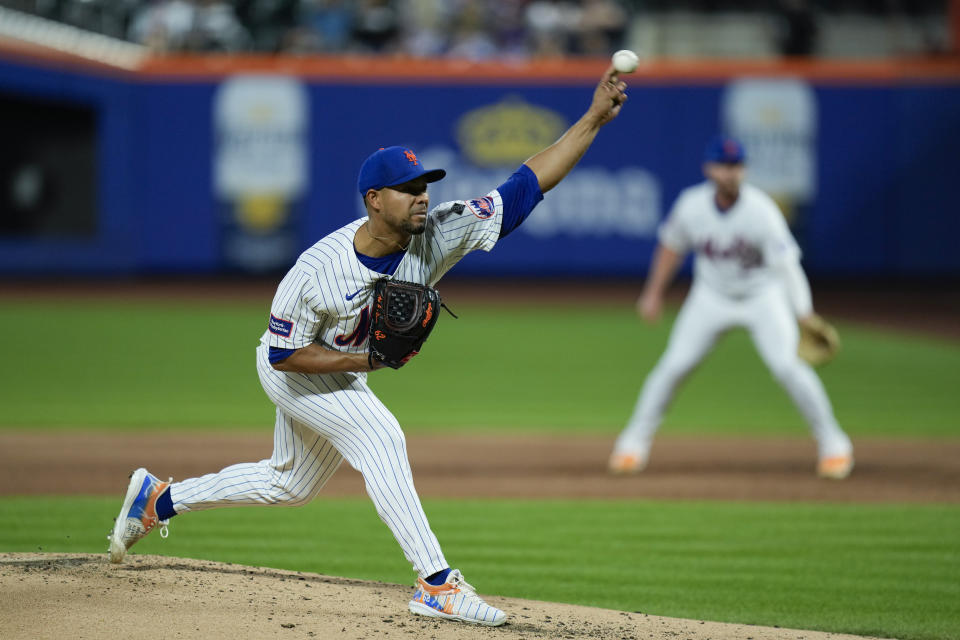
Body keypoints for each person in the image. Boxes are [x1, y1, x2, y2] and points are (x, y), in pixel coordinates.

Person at [108, 66, 628, 626]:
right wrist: (369, 361)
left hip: (340, 368)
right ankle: (437, 585)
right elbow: (285, 354)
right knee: (382, 436)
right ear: (375, 200)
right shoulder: (316, 269)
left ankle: (157, 499)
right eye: (409, 190)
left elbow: (525, 187)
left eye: (425, 186)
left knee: (290, 484)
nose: (423, 197)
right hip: (292, 367)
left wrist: (593, 118)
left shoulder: (438, 232)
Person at [608, 135, 854, 480]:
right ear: (709, 168)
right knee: (674, 366)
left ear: (745, 170)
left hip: (762, 297)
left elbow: (788, 267)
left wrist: (804, 312)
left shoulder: (762, 212)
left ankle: (834, 444)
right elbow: (671, 246)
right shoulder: (691, 205)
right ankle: (632, 444)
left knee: (787, 367)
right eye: (723, 166)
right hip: (710, 297)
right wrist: (653, 293)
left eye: (736, 166)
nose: (730, 173)